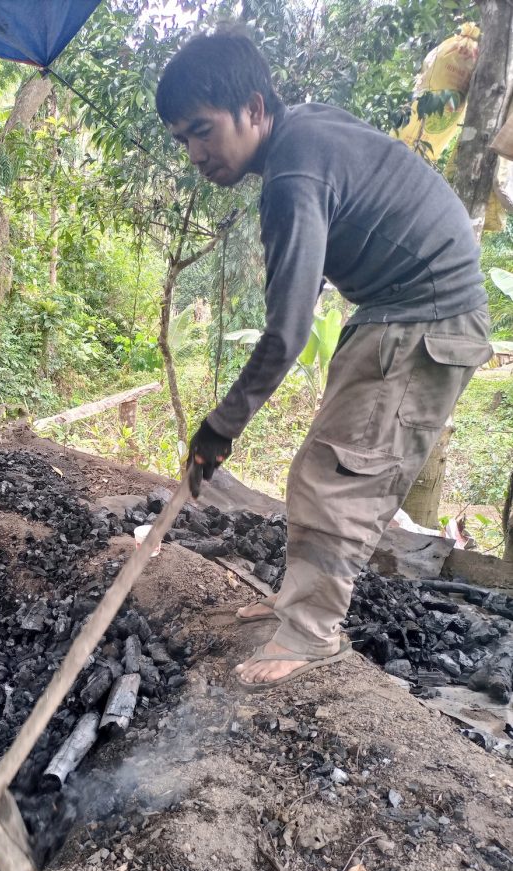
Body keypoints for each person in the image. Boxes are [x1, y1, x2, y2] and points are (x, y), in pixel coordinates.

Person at [155, 29, 492, 690]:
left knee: (339, 473)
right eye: (182, 140)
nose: (196, 153)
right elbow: (300, 294)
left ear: (254, 108)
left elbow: (285, 333)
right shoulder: (300, 136)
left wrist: (218, 428)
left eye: (203, 130)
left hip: (425, 315)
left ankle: (311, 633)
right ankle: (297, 606)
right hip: (399, 306)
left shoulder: (291, 174)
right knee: (322, 464)